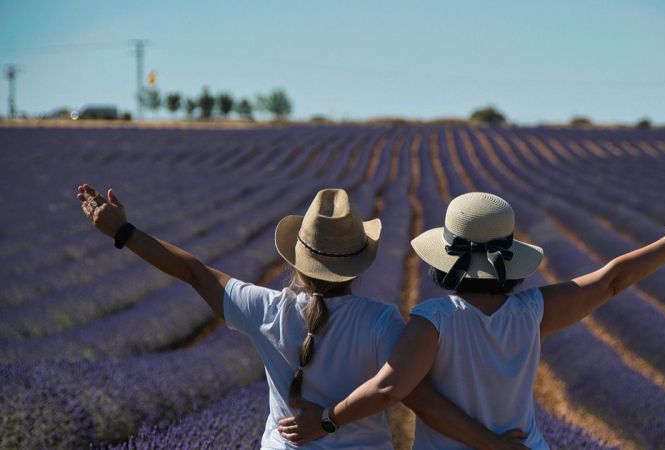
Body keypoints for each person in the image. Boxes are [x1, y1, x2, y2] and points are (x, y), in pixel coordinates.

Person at [75, 185, 528, 450]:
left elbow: (192, 270)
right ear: (358, 264)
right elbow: (416, 396)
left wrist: (122, 231)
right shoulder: (382, 321)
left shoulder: (265, 309)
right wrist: (493, 443)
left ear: (296, 257)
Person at [277, 192, 665, 449]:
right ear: (510, 260)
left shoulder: (433, 320)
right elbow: (612, 279)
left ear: (444, 258)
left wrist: (328, 421)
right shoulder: (533, 310)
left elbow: (392, 389)